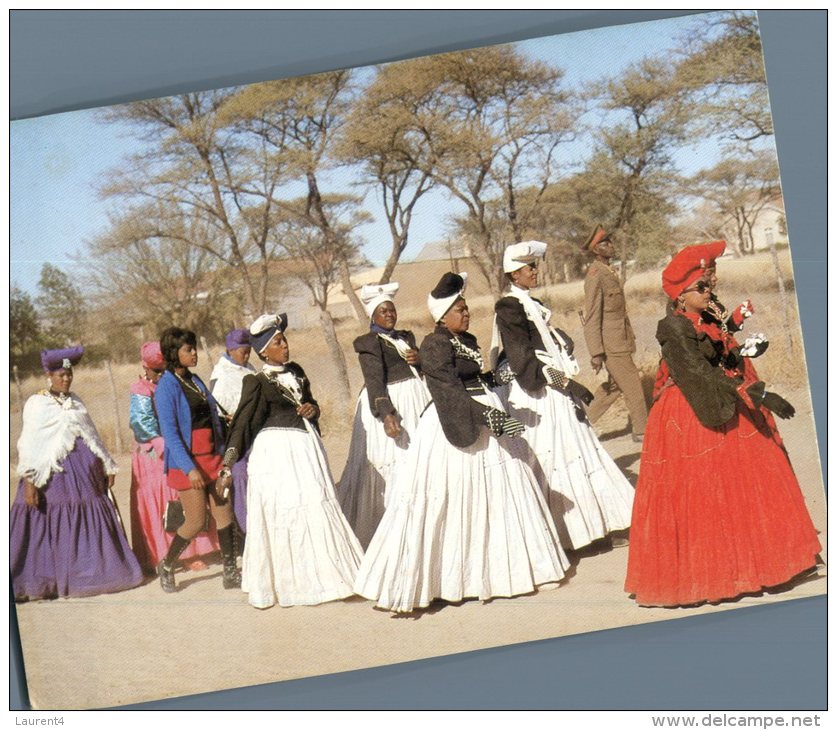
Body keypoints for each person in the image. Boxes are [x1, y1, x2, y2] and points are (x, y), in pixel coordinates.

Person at [355, 273, 569, 614]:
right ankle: (447, 579)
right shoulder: (434, 345)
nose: (466, 314)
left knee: (503, 490)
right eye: (459, 309)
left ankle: (510, 571)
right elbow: (449, 391)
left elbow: (474, 376)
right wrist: (492, 418)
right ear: (442, 316)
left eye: (466, 308)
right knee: (450, 497)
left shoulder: (466, 339)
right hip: (456, 423)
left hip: (482, 412)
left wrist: (500, 377)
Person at [624, 243, 821, 607]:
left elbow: (718, 355)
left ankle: (769, 564)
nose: (708, 289)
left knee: (751, 477)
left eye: (709, 283)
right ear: (680, 295)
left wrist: (737, 341)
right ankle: (720, 574)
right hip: (693, 410)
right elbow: (697, 374)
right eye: (701, 286)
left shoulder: (705, 315)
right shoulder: (673, 328)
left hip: (722, 396)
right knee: (708, 491)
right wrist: (755, 394)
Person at [491, 241, 635, 551]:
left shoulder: (531, 303)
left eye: (534, 265)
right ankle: (568, 535)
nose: (535, 271)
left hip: (554, 387)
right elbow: (522, 360)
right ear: (515, 274)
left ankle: (601, 526)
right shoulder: (509, 308)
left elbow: (541, 344)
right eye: (530, 267)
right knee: (554, 456)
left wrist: (560, 342)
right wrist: (566, 384)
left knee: (580, 450)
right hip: (539, 393)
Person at [218, 313, 363, 609]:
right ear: (264, 351)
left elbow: (310, 401)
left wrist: (313, 409)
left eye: (284, 341)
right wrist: (227, 464)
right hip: (277, 457)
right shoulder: (255, 382)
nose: (285, 347)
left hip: (306, 449)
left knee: (316, 504)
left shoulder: (296, 371)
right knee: (289, 512)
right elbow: (241, 426)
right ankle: (295, 584)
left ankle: (331, 577)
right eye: (278, 343)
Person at [11, 347, 143, 601]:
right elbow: (29, 444)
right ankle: (49, 579)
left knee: (86, 519)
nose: (66, 379)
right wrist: (30, 480)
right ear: (49, 375)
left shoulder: (76, 401)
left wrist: (106, 463)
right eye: (60, 374)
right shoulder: (38, 404)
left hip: (84, 478)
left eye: (69, 374)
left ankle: (91, 574)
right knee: (52, 522)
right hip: (52, 478)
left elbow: (91, 435)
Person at [336, 282, 431, 548]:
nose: (389, 314)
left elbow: (420, 369)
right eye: (383, 311)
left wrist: (419, 359)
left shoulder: (406, 338)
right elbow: (374, 380)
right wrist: (386, 414)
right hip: (391, 404)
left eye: (391, 310)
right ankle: (390, 534)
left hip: (416, 400)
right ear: (373, 316)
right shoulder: (369, 343)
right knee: (394, 464)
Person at [153, 327, 241, 593]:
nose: (194, 354)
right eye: (188, 350)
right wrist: (190, 469)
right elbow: (170, 433)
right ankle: (167, 565)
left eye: (194, 348)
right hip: (187, 464)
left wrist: (225, 456)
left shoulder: (196, 380)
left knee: (224, 514)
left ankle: (229, 570)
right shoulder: (166, 387)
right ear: (173, 353)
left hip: (213, 458)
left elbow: (211, 418)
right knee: (195, 520)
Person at [128, 341, 219, 574]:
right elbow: (142, 425)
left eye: (163, 370)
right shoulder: (141, 390)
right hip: (154, 454)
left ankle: (192, 552)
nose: (160, 375)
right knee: (163, 504)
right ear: (145, 368)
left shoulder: (173, 384)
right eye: (155, 371)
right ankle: (163, 554)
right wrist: (168, 446)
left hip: (177, 447)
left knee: (185, 500)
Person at [581, 225, 648, 442]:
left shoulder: (609, 270)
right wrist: (596, 352)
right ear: (595, 250)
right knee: (633, 385)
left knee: (614, 388)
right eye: (604, 243)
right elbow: (591, 315)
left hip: (620, 339)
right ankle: (642, 431)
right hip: (611, 344)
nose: (610, 246)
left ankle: (580, 423)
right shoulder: (595, 274)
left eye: (609, 242)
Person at [209, 327, 256, 534]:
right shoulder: (221, 376)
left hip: (254, 433)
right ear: (230, 350)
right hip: (234, 440)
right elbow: (220, 412)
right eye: (242, 352)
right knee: (241, 479)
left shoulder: (249, 368)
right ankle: (248, 532)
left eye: (248, 351)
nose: (246, 356)